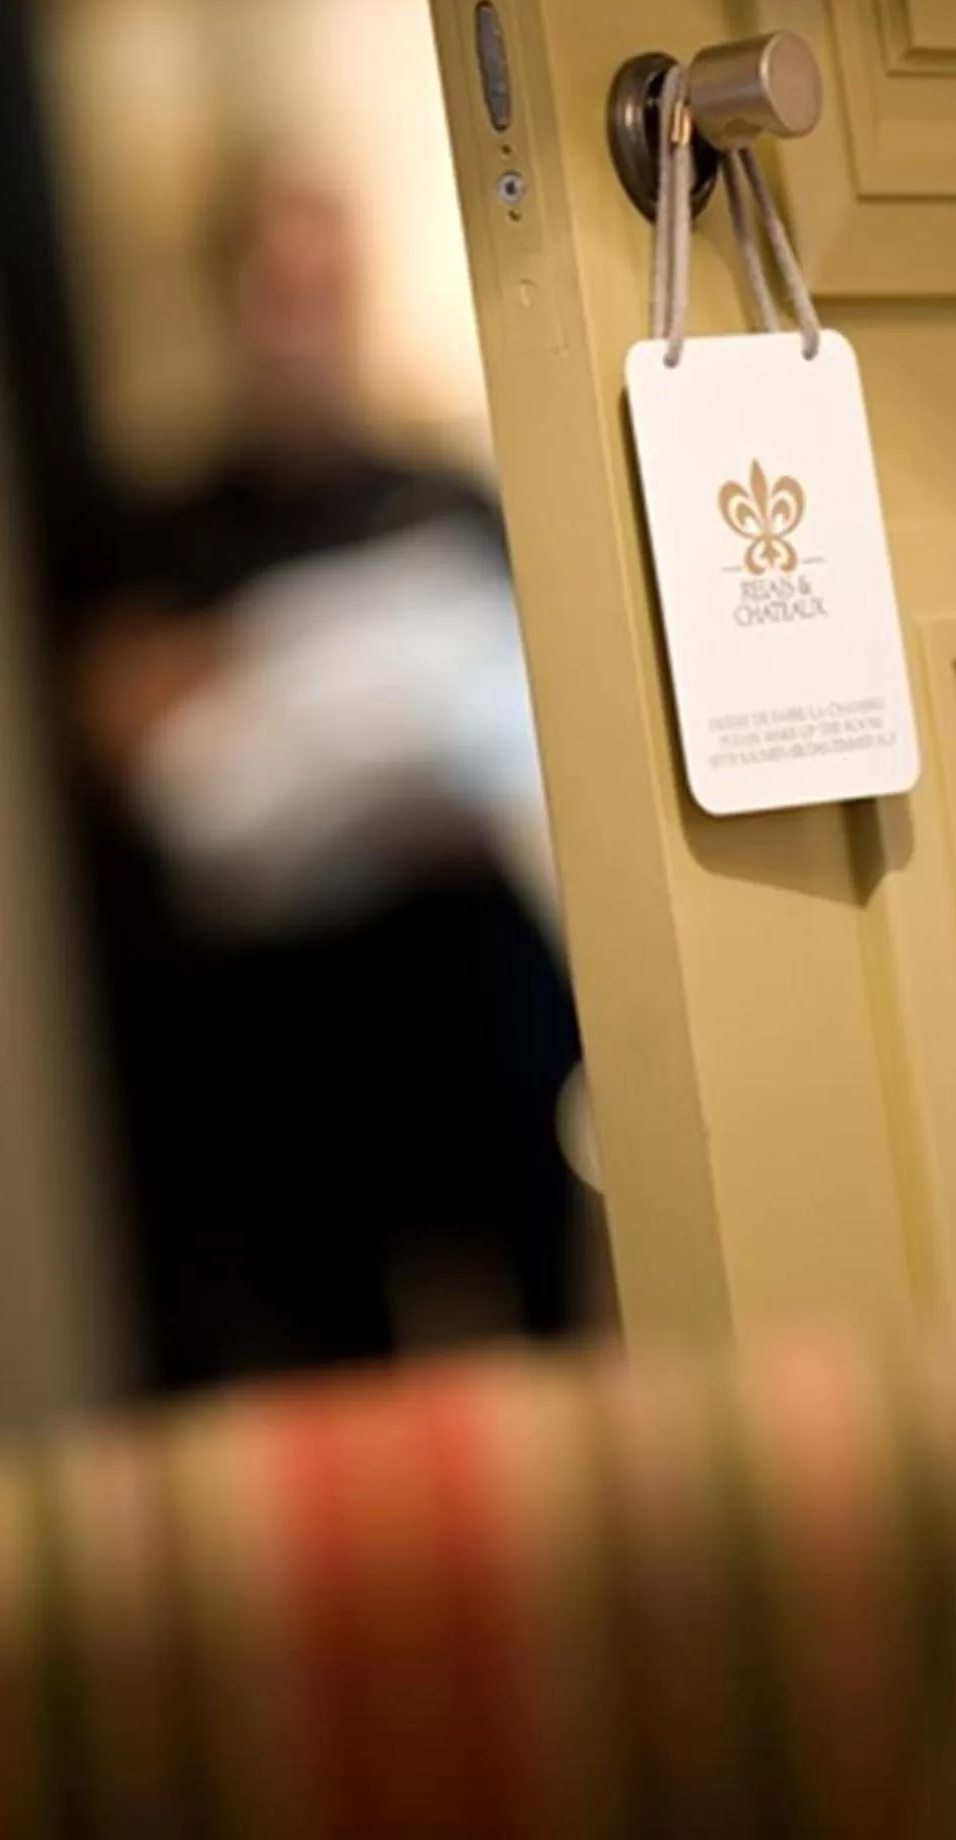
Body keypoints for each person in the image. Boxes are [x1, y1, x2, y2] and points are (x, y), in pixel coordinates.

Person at [72, 168, 582, 1387]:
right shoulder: (176, 534)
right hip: (294, 1023)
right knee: (344, 1366)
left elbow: (531, 718)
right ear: (230, 305)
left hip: (467, 975)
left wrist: (277, 685)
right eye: (277, 293)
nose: (305, 324)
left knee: (545, 1331)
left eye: (326, 288)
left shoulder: (446, 504)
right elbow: (133, 736)